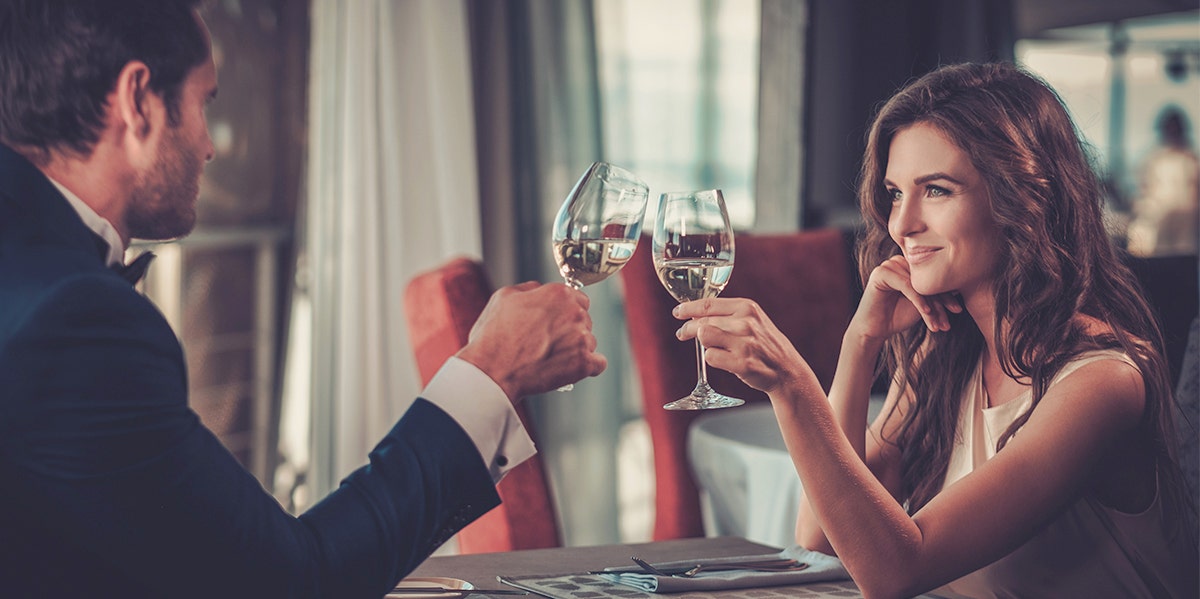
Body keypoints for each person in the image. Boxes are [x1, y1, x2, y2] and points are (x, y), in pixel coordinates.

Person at [0, 1, 606, 597]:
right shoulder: (72, 319)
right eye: (204, 102)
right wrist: (491, 370)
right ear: (137, 101)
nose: (210, 146)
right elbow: (291, 581)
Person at [674, 62, 1197, 598]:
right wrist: (861, 342)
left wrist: (791, 384)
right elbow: (820, 535)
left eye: (938, 190)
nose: (901, 224)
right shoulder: (945, 357)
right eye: (896, 193)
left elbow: (897, 569)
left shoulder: (1102, 381)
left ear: (1022, 198)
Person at [1126, 106, 1200, 257]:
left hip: (1186, 223)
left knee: (1184, 256)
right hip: (1159, 222)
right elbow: (1144, 189)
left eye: (1174, 128)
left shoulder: (1191, 159)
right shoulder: (1153, 159)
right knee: (1163, 256)